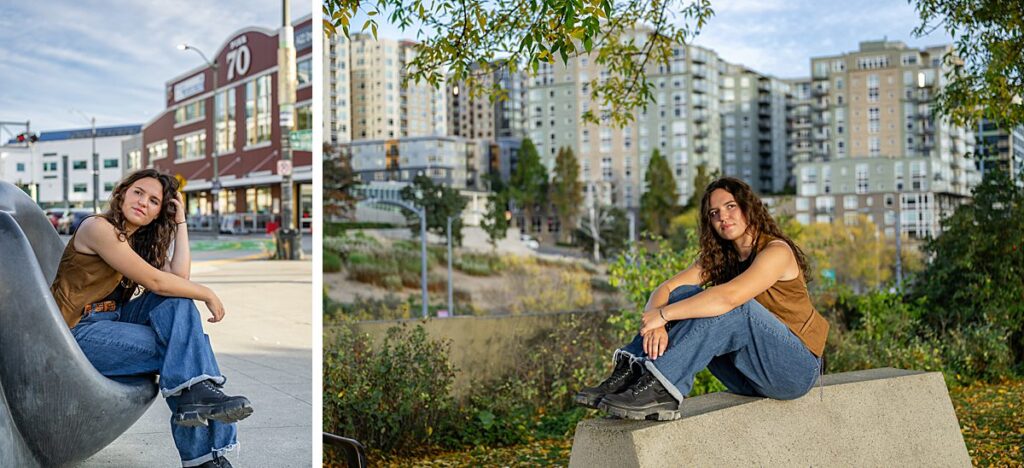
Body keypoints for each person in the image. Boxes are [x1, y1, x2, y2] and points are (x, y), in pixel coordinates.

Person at [576, 177, 829, 420]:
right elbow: (666, 290)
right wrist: (656, 322)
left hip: (796, 371)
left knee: (736, 307)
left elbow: (729, 298)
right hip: (748, 376)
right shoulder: (721, 258)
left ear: (748, 207)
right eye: (714, 213)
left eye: (730, 206)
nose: (722, 217)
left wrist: (664, 315)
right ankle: (630, 372)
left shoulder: (776, 251)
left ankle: (662, 388)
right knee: (683, 295)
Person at [50, 169, 252, 468]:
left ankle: (199, 421)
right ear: (122, 193)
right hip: (74, 333)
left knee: (179, 307)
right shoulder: (97, 227)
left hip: (112, 322)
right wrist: (206, 293)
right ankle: (205, 459)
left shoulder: (138, 243)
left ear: (160, 211)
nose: (143, 202)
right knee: (187, 354)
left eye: (154, 200)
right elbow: (157, 282)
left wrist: (180, 222)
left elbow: (179, 278)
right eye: (138, 192)